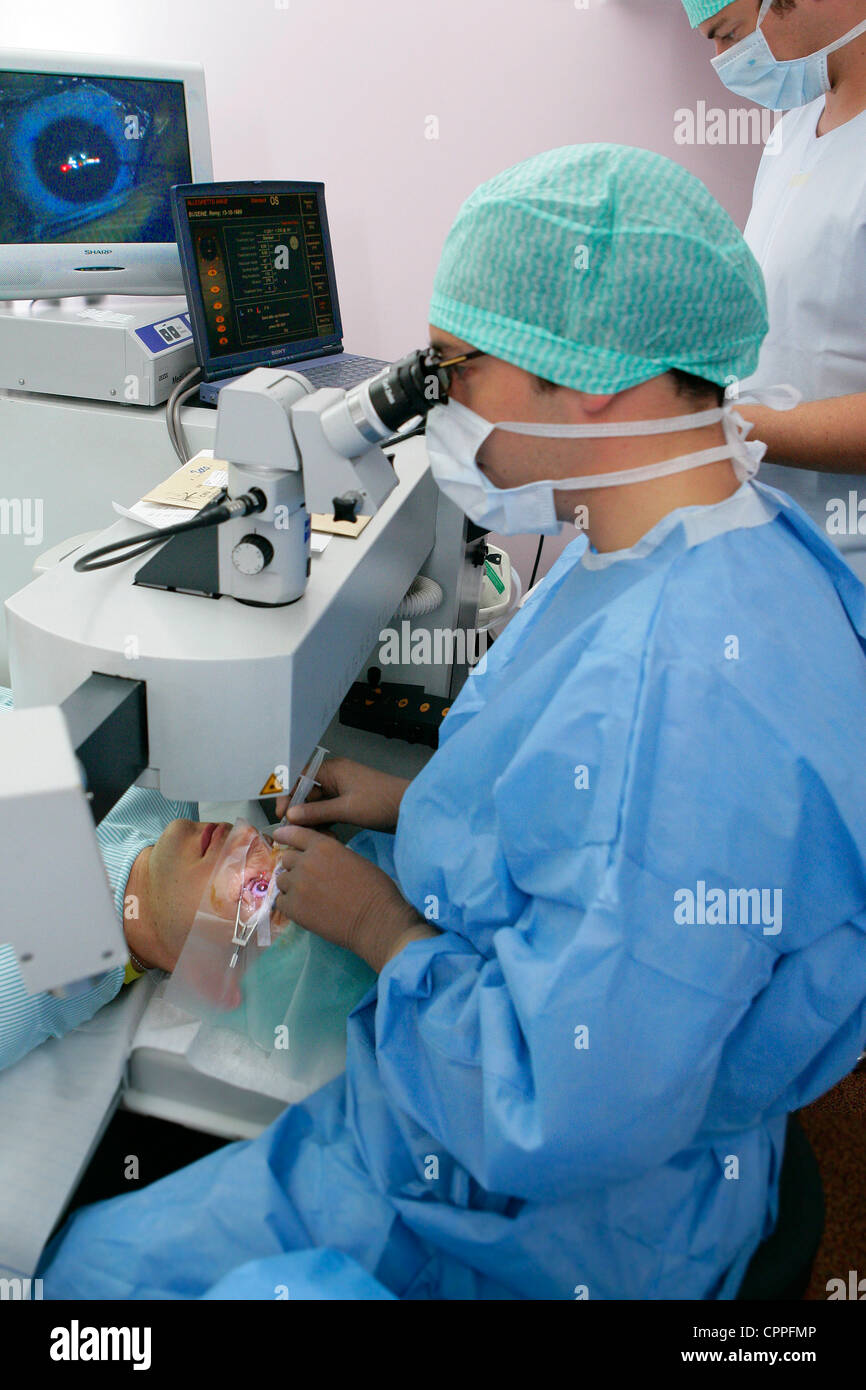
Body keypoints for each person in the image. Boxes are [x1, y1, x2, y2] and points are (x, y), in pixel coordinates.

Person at [40, 145, 866, 1301]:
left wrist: (377, 922)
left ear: (586, 376)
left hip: (530, 1218)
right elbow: (571, 820)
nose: (436, 407)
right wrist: (412, 800)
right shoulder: (702, 541)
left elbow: (559, 1103)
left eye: (452, 369)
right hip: (578, 1131)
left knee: (85, 1277)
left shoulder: (676, 696)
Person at [682, 0, 866, 578]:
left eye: (730, 33)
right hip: (773, 543)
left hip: (849, 565)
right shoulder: (793, 132)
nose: (724, 60)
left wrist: (729, 429)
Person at [0, 683, 238, 1071]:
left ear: (210, 979)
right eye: (274, 846)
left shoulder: (47, 972)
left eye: (259, 889)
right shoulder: (164, 790)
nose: (245, 842)